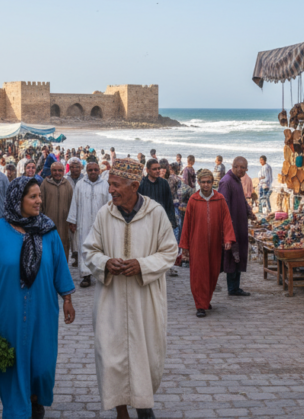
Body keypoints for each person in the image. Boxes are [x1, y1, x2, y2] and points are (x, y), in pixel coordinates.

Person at [0, 176, 76, 419]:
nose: (39, 201)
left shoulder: (48, 230)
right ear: (18, 200)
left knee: (42, 365)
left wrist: (67, 299)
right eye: (33, 197)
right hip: (7, 311)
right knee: (12, 365)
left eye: (40, 196)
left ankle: (36, 399)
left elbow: (59, 266)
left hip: (43, 310)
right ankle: (17, 411)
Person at [84, 158, 179, 419]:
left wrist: (142, 265)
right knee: (111, 356)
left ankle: (143, 404)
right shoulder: (105, 214)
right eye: (109, 185)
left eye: (116, 185)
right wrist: (105, 262)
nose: (110, 190)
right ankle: (121, 411)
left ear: (134, 185)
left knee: (144, 355)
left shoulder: (156, 213)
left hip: (144, 300)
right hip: (110, 301)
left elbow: (170, 252)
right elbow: (89, 250)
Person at [179, 169, 235, 317]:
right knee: (199, 274)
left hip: (215, 244)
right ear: (198, 183)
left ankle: (206, 299)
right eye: (203, 182)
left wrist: (228, 239)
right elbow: (187, 224)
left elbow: (226, 220)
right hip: (197, 243)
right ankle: (200, 305)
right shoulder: (193, 200)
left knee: (213, 272)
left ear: (212, 183)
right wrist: (184, 245)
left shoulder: (220, 199)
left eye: (208, 182)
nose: (206, 185)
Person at [68, 161, 110, 287]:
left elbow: (109, 204)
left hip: (100, 223)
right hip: (83, 222)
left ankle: (100, 274)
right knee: (84, 248)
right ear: (86, 171)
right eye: (90, 170)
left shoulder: (105, 185)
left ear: (99, 171)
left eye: (95, 170)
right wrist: (73, 221)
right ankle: (86, 276)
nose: (93, 172)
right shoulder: (80, 185)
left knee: (100, 248)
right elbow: (74, 203)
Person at [219, 157, 255, 297]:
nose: (241, 169)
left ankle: (235, 287)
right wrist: (228, 227)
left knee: (237, 255)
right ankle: (232, 288)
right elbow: (224, 206)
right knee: (232, 257)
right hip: (232, 227)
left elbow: (242, 200)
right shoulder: (226, 182)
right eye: (238, 167)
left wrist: (249, 212)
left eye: (243, 167)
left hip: (239, 225)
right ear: (233, 166)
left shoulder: (236, 180)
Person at [139, 159, 178, 277]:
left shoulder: (164, 183)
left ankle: (163, 267)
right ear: (147, 170)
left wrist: (171, 221)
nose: (157, 171)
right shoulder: (141, 184)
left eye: (158, 168)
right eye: (154, 169)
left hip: (162, 221)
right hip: (145, 222)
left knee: (162, 246)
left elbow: (169, 203)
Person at [41, 162, 75, 270]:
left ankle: (62, 272)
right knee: (49, 248)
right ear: (51, 171)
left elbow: (72, 205)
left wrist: (72, 222)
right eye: (55, 170)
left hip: (64, 225)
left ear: (64, 171)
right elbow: (41, 205)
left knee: (64, 247)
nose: (57, 173)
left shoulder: (67, 185)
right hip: (49, 225)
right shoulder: (45, 184)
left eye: (60, 170)